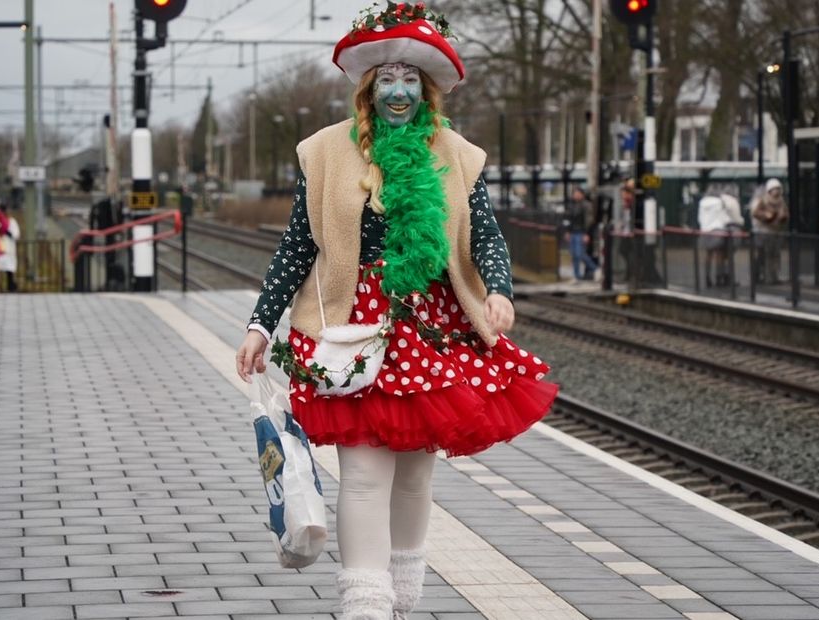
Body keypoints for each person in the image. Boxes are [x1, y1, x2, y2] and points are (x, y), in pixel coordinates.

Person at [234, 5, 558, 618]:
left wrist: (499, 289)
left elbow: (483, 234)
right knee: (362, 474)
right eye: (386, 79)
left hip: (430, 324)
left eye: (410, 79)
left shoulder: (457, 155)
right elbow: (298, 243)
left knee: (414, 475)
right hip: (353, 327)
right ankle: (365, 603)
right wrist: (259, 324)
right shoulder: (325, 152)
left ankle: (403, 596)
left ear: (427, 90)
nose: (399, 91)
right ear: (368, 88)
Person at [697, 191, 744, 287]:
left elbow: (699, 218)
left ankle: (707, 278)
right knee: (720, 254)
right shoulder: (720, 202)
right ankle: (719, 278)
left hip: (705, 230)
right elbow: (724, 217)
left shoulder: (702, 202)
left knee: (708, 254)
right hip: (718, 230)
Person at [749, 178, 788, 284]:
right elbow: (756, 213)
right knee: (765, 255)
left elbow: (785, 213)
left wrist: (782, 217)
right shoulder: (763, 200)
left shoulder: (781, 201)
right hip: (763, 232)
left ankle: (774, 275)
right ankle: (765, 276)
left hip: (776, 231)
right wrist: (767, 216)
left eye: (778, 189)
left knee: (775, 255)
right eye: (774, 189)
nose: (777, 192)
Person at [563, 187, 597, 280]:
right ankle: (576, 275)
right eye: (574, 193)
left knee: (580, 254)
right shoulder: (571, 205)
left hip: (581, 232)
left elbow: (589, 220)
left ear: (582, 194)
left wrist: (587, 233)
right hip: (572, 232)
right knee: (574, 255)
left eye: (578, 193)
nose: (576, 195)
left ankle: (595, 269)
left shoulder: (586, 205)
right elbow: (567, 219)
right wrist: (567, 231)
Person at [0, 211, 20, 292]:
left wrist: (8, 233)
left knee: (9, 269)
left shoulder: (11, 222)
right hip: (0, 248)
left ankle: (10, 286)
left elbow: (16, 234)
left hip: (9, 248)